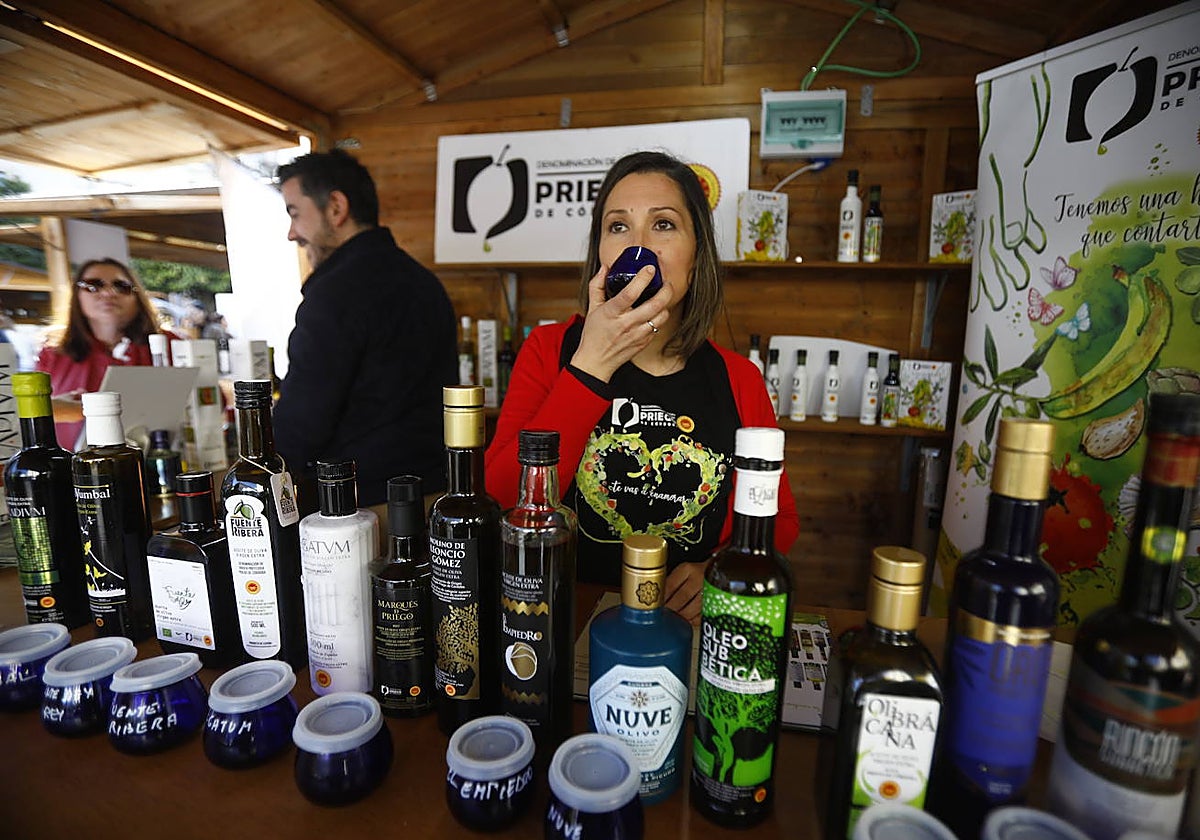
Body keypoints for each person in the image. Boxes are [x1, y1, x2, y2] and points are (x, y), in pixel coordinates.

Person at [484, 151, 799, 624]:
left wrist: (719, 569)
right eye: (618, 226)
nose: (638, 247)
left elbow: (781, 520)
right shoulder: (549, 349)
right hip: (559, 621)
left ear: (697, 256)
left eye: (663, 225)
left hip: (681, 627)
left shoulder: (739, 378)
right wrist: (590, 367)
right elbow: (501, 500)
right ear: (600, 255)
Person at [273, 149, 457, 513]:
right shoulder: (424, 282)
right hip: (436, 496)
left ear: (336, 207)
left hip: (365, 508)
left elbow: (302, 422)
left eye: (295, 213)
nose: (292, 233)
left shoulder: (334, 293)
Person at [36, 258, 179, 449]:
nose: (108, 293)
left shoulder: (169, 344)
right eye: (93, 285)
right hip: (72, 462)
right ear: (76, 294)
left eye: (121, 286)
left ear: (137, 296)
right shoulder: (52, 352)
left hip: (159, 458)